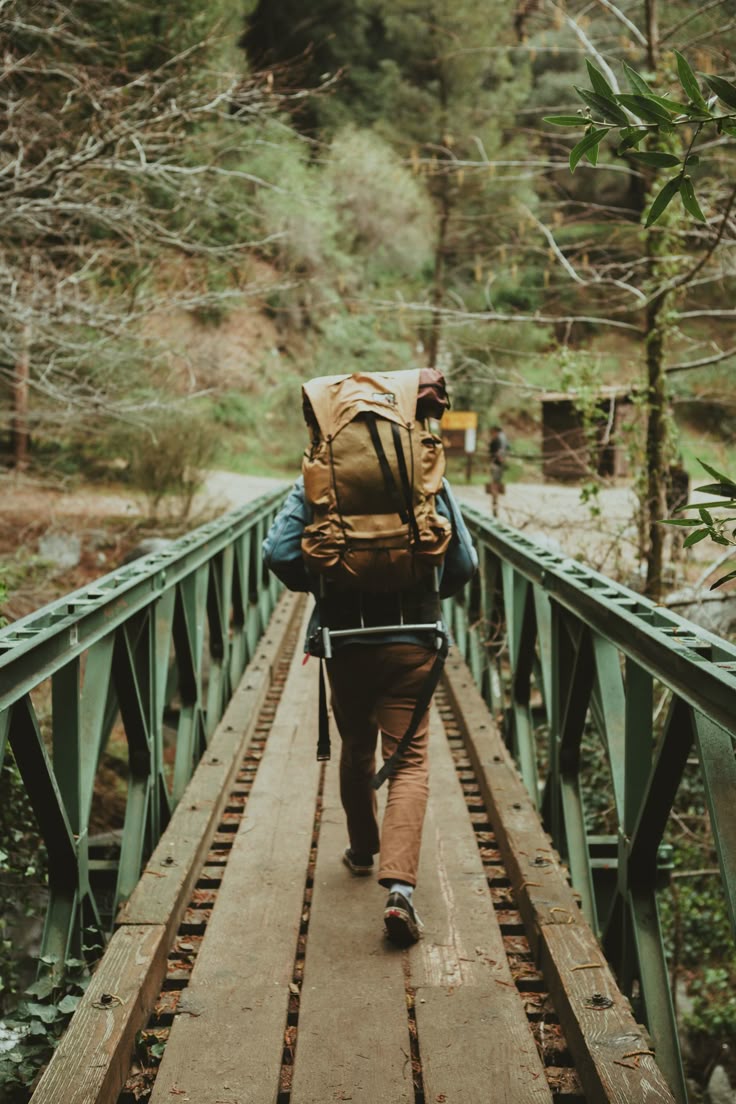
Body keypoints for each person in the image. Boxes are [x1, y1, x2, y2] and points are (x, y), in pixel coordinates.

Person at [263, 435, 477, 947]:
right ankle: (400, 890)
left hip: (347, 641)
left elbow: (278, 554)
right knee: (408, 761)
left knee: (357, 746)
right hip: (414, 640)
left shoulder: (319, 478)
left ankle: (362, 850)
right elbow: (464, 564)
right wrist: (424, 591)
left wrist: (327, 584)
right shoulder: (426, 473)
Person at [488, 424, 510, 517]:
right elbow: (507, 449)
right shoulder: (503, 437)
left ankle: (495, 502)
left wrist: (498, 458)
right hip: (499, 464)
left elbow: (499, 451)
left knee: (495, 483)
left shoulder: (498, 438)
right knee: (497, 481)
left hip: (496, 464)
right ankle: (495, 502)